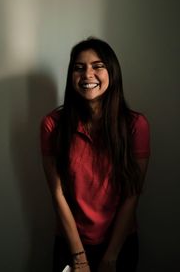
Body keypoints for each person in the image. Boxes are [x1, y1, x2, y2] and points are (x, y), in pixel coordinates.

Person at [40, 37, 150, 272]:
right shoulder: (52, 125)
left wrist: (111, 256)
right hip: (70, 244)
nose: (87, 74)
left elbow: (133, 194)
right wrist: (78, 256)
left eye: (97, 66)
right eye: (79, 68)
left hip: (120, 244)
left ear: (112, 72)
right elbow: (57, 194)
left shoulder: (136, 125)